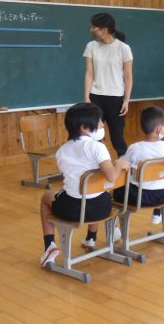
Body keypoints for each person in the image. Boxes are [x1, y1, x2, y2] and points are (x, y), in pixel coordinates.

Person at [39, 102, 130, 267]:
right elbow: (112, 176)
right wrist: (118, 163)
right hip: (103, 209)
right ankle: (91, 238)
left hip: (72, 210)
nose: (102, 125)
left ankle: (50, 245)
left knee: (46, 197)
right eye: (98, 121)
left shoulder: (61, 151)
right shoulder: (97, 147)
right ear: (84, 126)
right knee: (98, 191)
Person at [116, 106, 164, 225]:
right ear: (159, 129)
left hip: (139, 197)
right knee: (159, 177)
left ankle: (115, 229)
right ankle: (157, 211)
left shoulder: (135, 148)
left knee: (114, 189)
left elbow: (123, 167)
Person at [83, 13, 133, 156]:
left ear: (104, 29)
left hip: (115, 99)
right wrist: (87, 99)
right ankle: (97, 166)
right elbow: (89, 73)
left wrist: (126, 100)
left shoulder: (123, 48)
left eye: (94, 27)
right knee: (94, 137)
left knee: (117, 138)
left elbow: (128, 76)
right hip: (95, 97)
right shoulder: (91, 46)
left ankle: (126, 167)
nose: (91, 29)